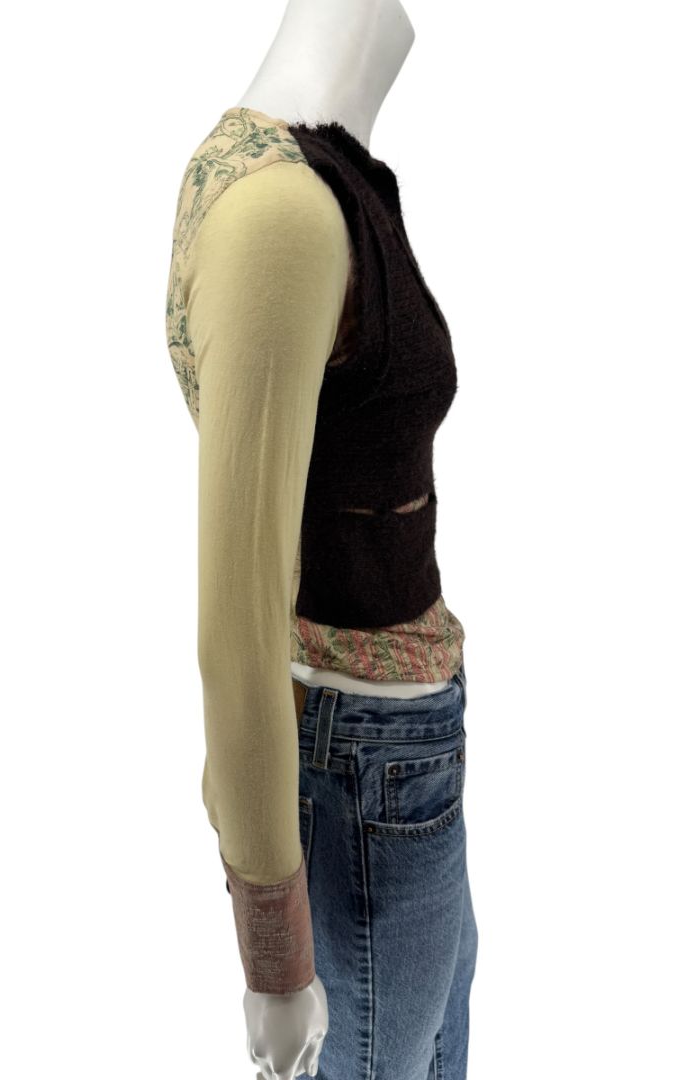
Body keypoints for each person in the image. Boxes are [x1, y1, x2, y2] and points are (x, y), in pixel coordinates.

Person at [164, 2, 478, 1076]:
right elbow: (236, 624)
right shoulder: (281, 214)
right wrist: (275, 953)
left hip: (398, 762)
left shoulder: (327, 177)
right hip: (362, 777)